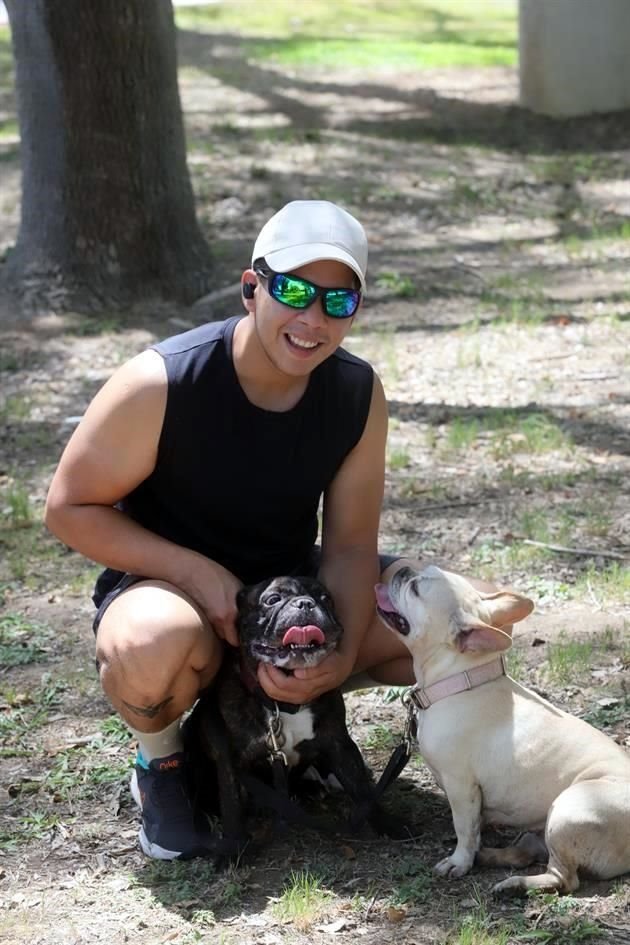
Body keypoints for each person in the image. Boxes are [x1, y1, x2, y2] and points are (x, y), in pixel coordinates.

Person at [45, 200, 493, 861]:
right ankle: (163, 763)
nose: (312, 319)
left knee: (469, 626)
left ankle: (309, 719)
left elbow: (348, 546)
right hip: (175, 594)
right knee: (149, 646)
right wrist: (196, 571)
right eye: (292, 291)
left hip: (292, 601)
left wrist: (334, 657)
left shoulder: (354, 392)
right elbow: (68, 507)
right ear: (251, 288)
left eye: (337, 302)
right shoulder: (162, 380)